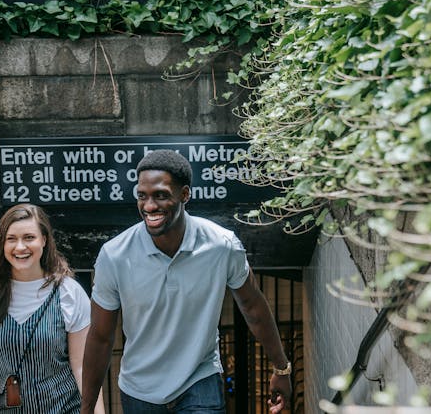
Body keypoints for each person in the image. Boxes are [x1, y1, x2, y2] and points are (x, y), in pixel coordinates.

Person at [81, 149, 292, 414]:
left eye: (160, 195)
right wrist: (87, 408)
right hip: (139, 391)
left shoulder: (221, 245)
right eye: (142, 196)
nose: (149, 206)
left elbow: (253, 306)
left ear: (185, 195)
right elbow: (100, 337)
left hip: (199, 379)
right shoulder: (114, 256)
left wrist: (281, 367)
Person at [0, 204, 105, 413]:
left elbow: (82, 366)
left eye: (29, 237)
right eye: (11, 239)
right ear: (2, 244)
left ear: (44, 240)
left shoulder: (68, 293)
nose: (20, 247)